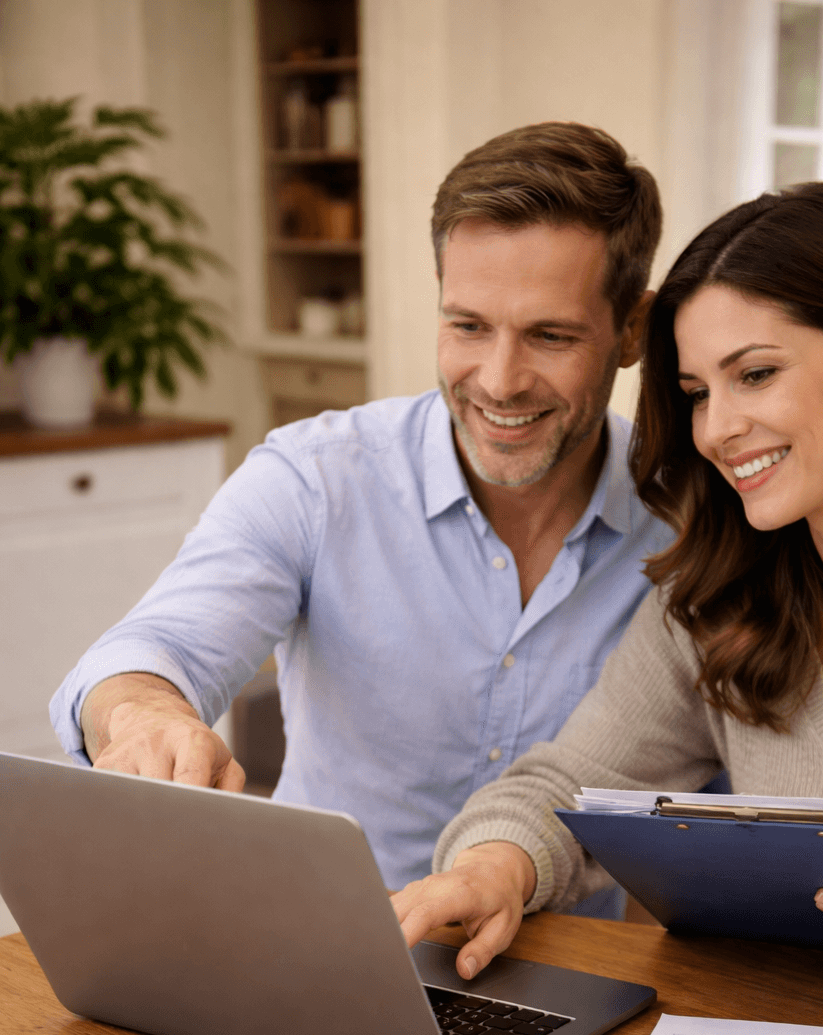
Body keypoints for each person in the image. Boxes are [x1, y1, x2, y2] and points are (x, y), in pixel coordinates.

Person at [394, 181, 823, 984]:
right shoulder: (719, 596)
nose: (718, 429)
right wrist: (492, 870)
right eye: (697, 393)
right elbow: (570, 785)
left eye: (755, 374)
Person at [49, 123, 674, 911]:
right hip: (322, 938)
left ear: (632, 330)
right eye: (468, 325)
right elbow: (158, 645)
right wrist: (143, 714)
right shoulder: (316, 479)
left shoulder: (691, 522)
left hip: (574, 959)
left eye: (550, 335)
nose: (499, 380)